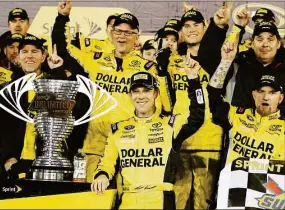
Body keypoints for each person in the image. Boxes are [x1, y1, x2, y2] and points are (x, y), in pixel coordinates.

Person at [52, 1, 175, 182]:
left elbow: (167, 105)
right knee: (93, 202)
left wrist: (163, 73)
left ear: (136, 36)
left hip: (131, 147)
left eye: (128, 32)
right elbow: (62, 50)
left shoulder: (148, 68)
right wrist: (62, 18)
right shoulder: (94, 61)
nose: (122, 36)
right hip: (94, 147)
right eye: (118, 31)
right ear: (111, 33)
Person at [91, 68, 206, 209]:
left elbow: (197, 116)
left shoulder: (171, 124)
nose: (141, 96)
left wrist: (193, 80)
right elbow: (106, 163)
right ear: (130, 95)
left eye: (146, 91)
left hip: (160, 199)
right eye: (136, 91)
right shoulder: (118, 129)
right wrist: (102, 175)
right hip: (129, 200)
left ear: (156, 93)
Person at [0, 35, 87, 179]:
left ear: (43, 57)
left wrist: (57, 71)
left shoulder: (55, 85)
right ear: (17, 58)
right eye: (24, 52)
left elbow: (69, 118)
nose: (29, 56)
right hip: (14, 166)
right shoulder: (5, 91)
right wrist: (7, 159)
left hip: (50, 167)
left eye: (35, 51)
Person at [173, 4, 234, 209]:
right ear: (180, 32)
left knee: (204, 204)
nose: (191, 29)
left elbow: (215, 45)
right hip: (179, 144)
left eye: (196, 24)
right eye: (186, 25)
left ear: (205, 26)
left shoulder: (216, 59)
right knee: (175, 203)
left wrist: (220, 26)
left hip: (210, 143)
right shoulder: (170, 62)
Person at [207, 38, 285, 165]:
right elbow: (213, 96)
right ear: (254, 95)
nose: (265, 97)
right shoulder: (236, 115)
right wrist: (226, 62)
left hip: (269, 184)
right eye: (261, 91)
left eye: (272, 93)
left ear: (280, 98)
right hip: (232, 183)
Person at [231, 21, 285, 115]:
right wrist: (238, 27)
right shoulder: (242, 62)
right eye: (260, 40)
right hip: (242, 123)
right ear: (252, 43)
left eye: (270, 40)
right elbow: (213, 56)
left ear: (278, 44)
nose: (265, 44)